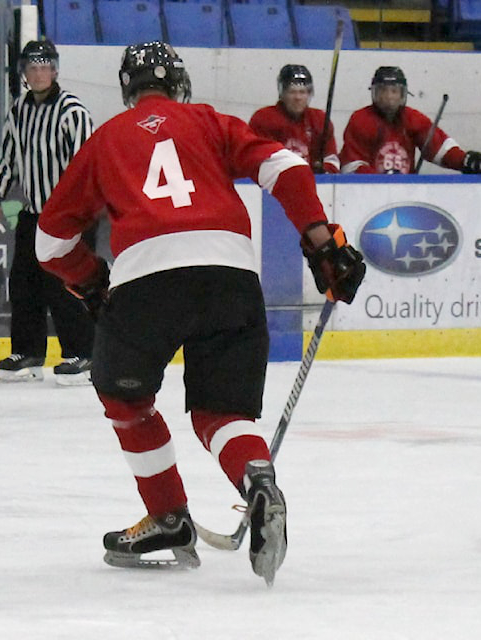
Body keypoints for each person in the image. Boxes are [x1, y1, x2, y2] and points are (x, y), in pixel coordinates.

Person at [35, 42, 365, 584]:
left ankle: (168, 516)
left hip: (147, 282)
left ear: (128, 88)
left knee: (125, 398)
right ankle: (257, 480)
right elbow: (284, 167)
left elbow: (49, 242)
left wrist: (92, 280)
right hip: (231, 276)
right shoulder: (210, 121)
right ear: (178, 82)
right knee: (222, 413)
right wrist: (320, 240)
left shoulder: (106, 140)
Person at [0, 39, 95, 385]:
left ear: (55, 70)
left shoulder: (72, 111)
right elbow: (9, 159)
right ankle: (28, 352)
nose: (39, 72)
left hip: (69, 215)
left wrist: (76, 212)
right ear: (24, 73)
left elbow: (85, 165)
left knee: (66, 285)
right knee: (24, 284)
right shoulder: (19, 110)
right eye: (32, 67)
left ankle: (84, 353)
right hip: (34, 214)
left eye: (45, 66)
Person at [339, 66, 481, 177]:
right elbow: (351, 166)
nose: (389, 97)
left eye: (394, 91)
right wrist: (382, 181)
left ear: (403, 94)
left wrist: (465, 160)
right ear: (374, 93)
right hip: (366, 194)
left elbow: (440, 149)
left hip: (406, 193)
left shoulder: (413, 118)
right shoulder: (360, 120)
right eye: (382, 91)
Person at [249, 64, 340, 174]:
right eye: (292, 92)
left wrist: (324, 170)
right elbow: (257, 160)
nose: (298, 97)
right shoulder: (264, 119)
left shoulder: (320, 120)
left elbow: (331, 160)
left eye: (302, 92)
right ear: (282, 94)